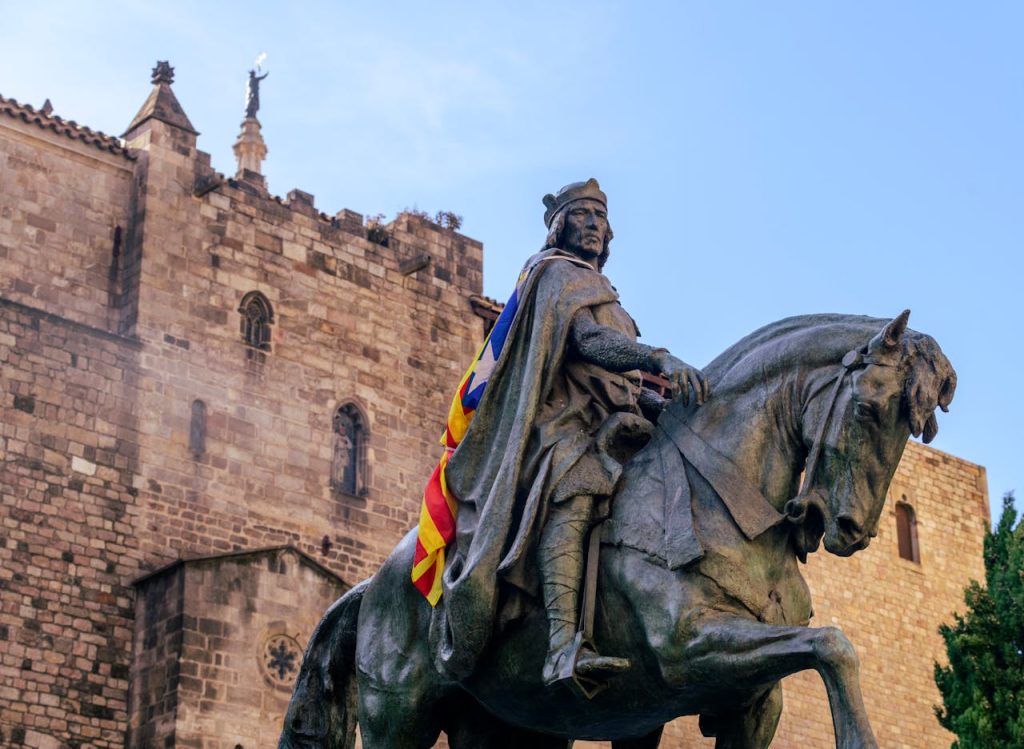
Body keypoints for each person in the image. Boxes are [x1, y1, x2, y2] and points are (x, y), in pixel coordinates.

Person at [431, 179, 709, 692]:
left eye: (600, 219)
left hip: (613, 421)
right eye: (581, 215)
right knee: (576, 484)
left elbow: (619, 384)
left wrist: (666, 404)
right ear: (561, 225)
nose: (593, 225)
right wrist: (656, 357)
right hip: (560, 424)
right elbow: (588, 342)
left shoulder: (611, 298)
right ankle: (563, 646)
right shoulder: (556, 275)